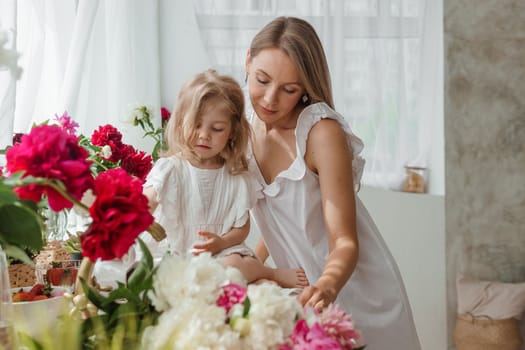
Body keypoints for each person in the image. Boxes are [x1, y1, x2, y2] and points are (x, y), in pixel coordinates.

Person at [244, 16, 422, 349]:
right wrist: (255, 265)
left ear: (306, 88)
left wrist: (326, 286)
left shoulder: (320, 133)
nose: (269, 99)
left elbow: (345, 241)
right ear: (248, 61)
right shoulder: (242, 130)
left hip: (355, 292)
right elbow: (277, 212)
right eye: (262, 80)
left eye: (289, 89)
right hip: (302, 294)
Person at [142, 69, 308, 289]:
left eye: (217, 128)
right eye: (196, 124)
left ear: (232, 132)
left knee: (235, 266)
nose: (204, 135)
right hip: (178, 253)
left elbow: (242, 229)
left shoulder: (236, 177)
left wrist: (222, 242)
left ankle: (268, 272)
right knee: (159, 274)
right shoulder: (171, 169)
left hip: (221, 256)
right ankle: (256, 279)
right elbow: (144, 204)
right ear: (181, 123)